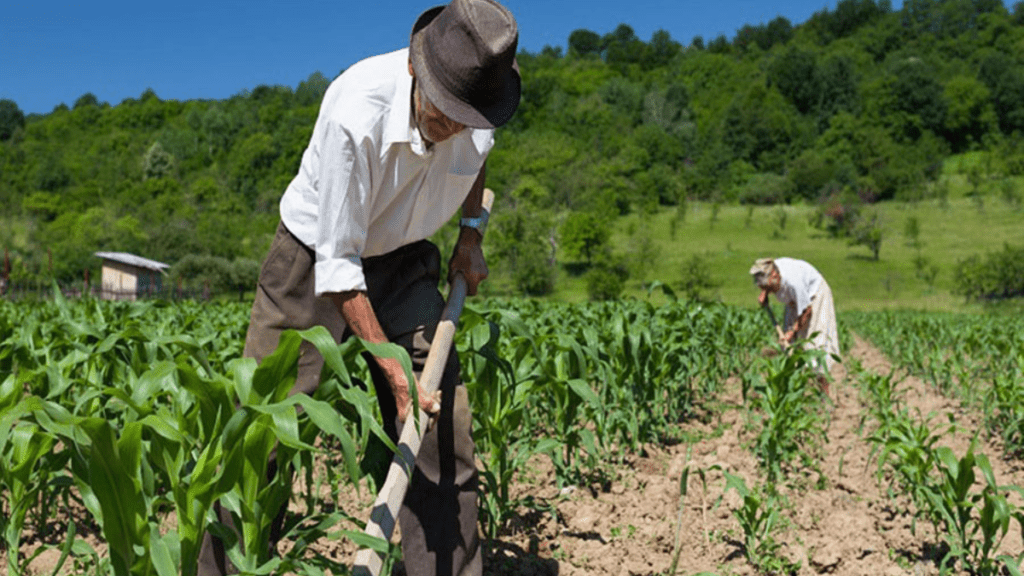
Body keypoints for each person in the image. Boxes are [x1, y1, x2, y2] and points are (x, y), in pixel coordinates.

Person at [197, 1, 520, 575]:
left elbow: (477, 162)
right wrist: (396, 376)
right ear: (418, 71)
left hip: (404, 258)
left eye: (466, 119)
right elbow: (339, 266)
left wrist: (470, 234)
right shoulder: (356, 110)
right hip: (313, 260)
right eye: (444, 113)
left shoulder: (479, 109)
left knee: (442, 426)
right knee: (261, 433)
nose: (454, 128)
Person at [749, 257, 840, 393]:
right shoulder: (770, 269)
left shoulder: (793, 282)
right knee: (787, 346)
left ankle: (824, 398)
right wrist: (765, 293)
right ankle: (794, 392)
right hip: (795, 300)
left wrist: (793, 330)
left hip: (815, 296)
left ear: (775, 276)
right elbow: (766, 281)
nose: (769, 290)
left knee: (817, 347)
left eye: (769, 287)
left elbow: (807, 310)